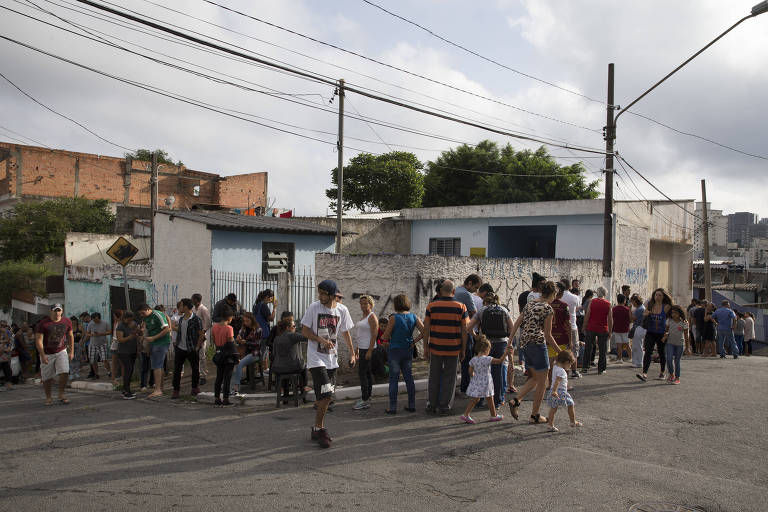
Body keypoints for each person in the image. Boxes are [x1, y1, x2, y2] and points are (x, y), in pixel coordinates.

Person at [301, 280, 355, 448]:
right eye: (319, 293)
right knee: (325, 394)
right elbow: (305, 330)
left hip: (332, 358)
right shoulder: (314, 307)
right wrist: (321, 340)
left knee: (326, 397)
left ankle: (317, 428)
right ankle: (321, 430)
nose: (320, 296)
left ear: (332, 295)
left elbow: (346, 333)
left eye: (324, 293)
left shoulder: (342, 310)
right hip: (316, 358)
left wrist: (353, 353)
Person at [507, 281, 563, 425]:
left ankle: (516, 400)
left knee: (535, 378)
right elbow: (548, 335)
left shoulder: (529, 304)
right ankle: (535, 415)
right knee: (543, 382)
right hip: (537, 344)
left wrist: (510, 341)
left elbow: (517, 322)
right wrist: (560, 352)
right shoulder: (548, 309)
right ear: (552, 294)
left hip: (524, 344)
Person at [423, 280, 468, 416]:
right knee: (450, 377)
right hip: (453, 348)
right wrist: (463, 349)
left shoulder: (431, 306)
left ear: (440, 291)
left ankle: (432, 404)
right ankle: (444, 406)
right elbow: (464, 330)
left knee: (434, 376)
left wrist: (425, 348)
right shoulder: (461, 307)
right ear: (453, 291)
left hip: (436, 347)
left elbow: (426, 329)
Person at [380, 294, 424, 414]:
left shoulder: (394, 318)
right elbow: (425, 331)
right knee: (409, 377)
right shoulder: (414, 316)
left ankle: (393, 407)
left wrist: (384, 337)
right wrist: (413, 341)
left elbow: (386, 335)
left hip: (395, 350)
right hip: (408, 350)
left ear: (396, 304)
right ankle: (411, 404)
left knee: (393, 379)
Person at [468, 291, 512, 408]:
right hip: (502, 343)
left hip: (486, 344)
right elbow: (512, 328)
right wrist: (509, 343)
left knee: (482, 372)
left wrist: (477, 337)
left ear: (485, 302)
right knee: (499, 372)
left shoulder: (482, 310)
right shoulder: (504, 310)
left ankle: (480, 399)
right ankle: (497, 400)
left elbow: (469, 327)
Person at [35, 304, 74, 405]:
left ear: (62, 311)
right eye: (55, 311)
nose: (57, 313)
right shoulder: (43, 324)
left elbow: (70, 336)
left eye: (59, 310)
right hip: (47, 352)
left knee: (65, 372)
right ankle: (48, 397)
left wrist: (71, 351)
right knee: (47, 377)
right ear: (50, 311)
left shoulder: (67, 321)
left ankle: (61, 394)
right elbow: (39, 340)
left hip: (61, 350)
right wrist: (42, 355)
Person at [460, 336, 504, 424]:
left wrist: (475, 376)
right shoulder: (488, 359)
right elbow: (499, 361)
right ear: (487, 349)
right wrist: (506, 353)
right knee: (489, 398)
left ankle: (492, 415)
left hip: (477, 381)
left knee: (477, 399)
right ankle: (492, 415)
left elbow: (470, 371)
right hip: (486, 381)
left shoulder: (473, 359)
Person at [636, 288, 673, 382]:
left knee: (661, 353)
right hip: (650, 332)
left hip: (661, 333)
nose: (657, 297)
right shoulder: (650, 304)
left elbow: (671, 318)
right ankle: (644, 373)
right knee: (648, 351)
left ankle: (662, 372)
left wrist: (667, 332)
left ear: (663, 296)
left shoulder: (667, 307)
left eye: (660, 295)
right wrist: (646, 313)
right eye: (656, 295)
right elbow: (644, 314)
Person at [455, 274, 482, 398]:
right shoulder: (466, 294)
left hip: (455, 332)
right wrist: (476, 333)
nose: (476, 291)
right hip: (465, 332)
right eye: (475, 288)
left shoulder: (457, 290)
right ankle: (465, 388)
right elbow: (475, 314)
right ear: (469, 283)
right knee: (467, 360)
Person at [137, 304, 171, 398]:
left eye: (142, 313)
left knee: (156, 366)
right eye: (140, 314)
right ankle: (161, 387)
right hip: (153, 343)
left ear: (148, 309)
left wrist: (154, 338)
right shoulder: (146, 318)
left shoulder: (157, 315)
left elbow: (166, 329)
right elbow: (148, 331)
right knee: (157, 365)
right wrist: (146, 343)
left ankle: (157, 389)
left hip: (161, 342)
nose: (141, 315)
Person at [171, 298, 204, 399]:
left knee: (195, 368)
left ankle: (195, 387)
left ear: (186, 306)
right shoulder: (181, 319)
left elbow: (201, 334)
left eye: (181, 305)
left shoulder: (196, 319)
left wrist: (197, 346)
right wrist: (177, 341)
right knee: (177, 370)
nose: (180, 307)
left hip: (191, 348)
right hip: (180, 347)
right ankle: (176, 390)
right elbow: (181, 331)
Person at [271, 313, 309, 397]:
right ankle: (304, 388)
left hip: (278, 368)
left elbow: (273, 354)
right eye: (294, 326)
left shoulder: (277, 338)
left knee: (285, 368)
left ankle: (285, 394)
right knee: (304, 366)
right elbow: (307, 337)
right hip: (293, 368)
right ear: (288, 328)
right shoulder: (292, 335)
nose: (295, 328)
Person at [545, 350, 582, 432]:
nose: (570, 366)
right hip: (560, 392)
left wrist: (553, 390)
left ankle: (550, 425)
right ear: (566, 362)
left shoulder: (555, 366)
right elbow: (557, 381)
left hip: (554, 390)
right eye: (570, 364)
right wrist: (555, 391)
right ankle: (573, 422)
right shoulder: (561, 371)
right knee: (571, 404)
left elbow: (555, 361)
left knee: (553, 408)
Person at [353, 295, 378, 410]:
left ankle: (364, 400)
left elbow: (374, 334)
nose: (363, 306)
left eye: (365, 304)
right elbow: (361, 335)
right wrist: (357, 349)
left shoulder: (372, 316)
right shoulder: (363, 317)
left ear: (371, 305)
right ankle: (367, 398)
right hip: (362, 348)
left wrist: (370, 350)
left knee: (362, 374)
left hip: (368, 349)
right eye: (361, 303)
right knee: (366, 374)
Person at [230, 312, 262, 396]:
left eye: (247, 321)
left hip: (254, 353)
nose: (245, 323)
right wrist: (238, 338)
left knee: (240, 364)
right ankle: (231, 386)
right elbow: (239, 337)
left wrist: (246, 342)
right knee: (233, 363)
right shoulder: (243, 328)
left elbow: (257, 344)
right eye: (244, 321)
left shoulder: (258, 329)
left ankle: (236, 386)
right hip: (244, 352)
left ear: (252, 320)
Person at [212, 306, 239, 406]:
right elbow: (231, 344)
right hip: (228, 356)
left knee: (219, 377)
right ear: (229, 318)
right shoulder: (229, 328)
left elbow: (214, 341)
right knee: (227, 377)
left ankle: (216, 397)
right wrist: (236, 356)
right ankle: (226, 399)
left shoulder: (214, 327)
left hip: (219, 353)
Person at [582, 287, 612, 375]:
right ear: (605, 294)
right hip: (602, 328)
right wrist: (610, 331)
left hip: (591, 327)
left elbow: (587, 314)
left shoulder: (592, 302)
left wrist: (584, 326)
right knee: (602, 349)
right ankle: (601, 368)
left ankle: (585, 367)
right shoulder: (608, 304)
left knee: (588, 347)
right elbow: (610, 319)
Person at [115, 311, 141, 399]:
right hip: (124, 352)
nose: (129, 322)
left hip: (132, 350)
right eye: (128, 320)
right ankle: (126, 390)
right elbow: (120, 339)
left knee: (130, 371)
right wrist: (130, 336)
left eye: (131, 320)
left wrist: (138, 333)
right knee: (128, 370)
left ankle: (126, 389)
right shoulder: (121, 326)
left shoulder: (133, 324)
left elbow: (138, 334)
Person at [549, 284, 571, 385]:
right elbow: (568, 323)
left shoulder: (547, 305)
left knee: (550, 362)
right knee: (563, 361)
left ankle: (550, 383)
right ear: (561, 293)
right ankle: (563, 384)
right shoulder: (564, 305)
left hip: (550, 336)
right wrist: (570, 340)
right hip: (561, 336)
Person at [559, 279, 582, 379]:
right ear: (570, 286)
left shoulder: (558, 297)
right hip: (572, 326)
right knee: (573, 349)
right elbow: (576, 308)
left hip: (560, 326)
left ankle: (561, 370)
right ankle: (574, 370)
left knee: (561, 348)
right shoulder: (575, 297)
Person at [663, 306, 688, 385]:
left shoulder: (684, 322)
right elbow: (666, 330)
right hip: (670, 343)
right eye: (672, 313)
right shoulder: (669, 321)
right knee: (669, 359)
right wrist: (665, 334)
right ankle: (671, 374)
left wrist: (687, 347)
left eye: (676, 313)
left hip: (679, 344)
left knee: (677, 361)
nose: (674, 314)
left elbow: (686, 335)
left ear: (680, 313)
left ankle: (677, 378)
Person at [191, 294, 211, 386]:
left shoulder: (203, 309)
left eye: (192, 299)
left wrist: (203, 333)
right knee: (196, 355)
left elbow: (208, 322)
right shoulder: (194, 309)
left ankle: (203, 375)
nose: (191, 300)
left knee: (202, 355)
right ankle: (197, 373)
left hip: (201, 335)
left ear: (196, 300)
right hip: (194, 335)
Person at [84, 312, 111, 380]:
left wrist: (101, 333)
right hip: (92, 344)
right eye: (93, 319)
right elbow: (87, 333)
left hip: (102, 343)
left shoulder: (105, 323)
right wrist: (91, 335)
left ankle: (109, 371)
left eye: (96, 319)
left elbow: (109, 332)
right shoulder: (91, 324)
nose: (94, 321)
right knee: (92, 360)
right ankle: (96, 374)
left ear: (99, 318)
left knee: (104, 359)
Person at [611, 294, 631, 364]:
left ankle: (620, 359)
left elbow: (612, 319)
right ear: (624, 300)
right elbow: (630, 319)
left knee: (618, 344)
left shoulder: (614, 309)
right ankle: (631, 358)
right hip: (625, 329)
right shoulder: (627, 309)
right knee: (627, 344)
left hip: (617, 329)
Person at [629, 295, 646, 368]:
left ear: (635, 301)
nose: (632, 303)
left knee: (637, 346)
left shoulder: (639, 309)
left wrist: (629, 310)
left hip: (639, 328)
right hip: (640, 328)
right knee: (638, 346)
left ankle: (638, 362)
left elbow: (632, 319)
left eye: (632, 301)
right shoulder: (641, 308)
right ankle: (637, 361)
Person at [68, 317, 83, 381]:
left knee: (77, 359)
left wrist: (80, 336)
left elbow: (84, 335)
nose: (73, 322)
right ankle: (71, 373)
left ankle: (76, 372)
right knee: (71, 359)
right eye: (72, 321)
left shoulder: (80, 327)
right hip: (70, 344)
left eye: (74, 321)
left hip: (78, 343)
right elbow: (66, 336)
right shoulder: (68, 327)